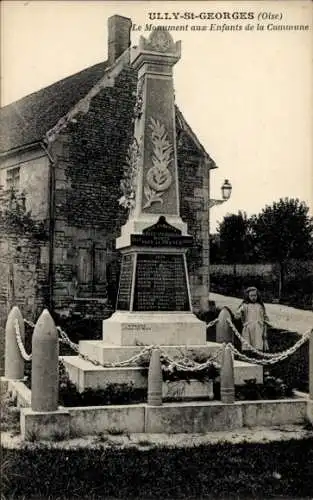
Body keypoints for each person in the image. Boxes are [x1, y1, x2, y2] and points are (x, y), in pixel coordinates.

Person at [235, 286, 269, 352]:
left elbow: (263, 317)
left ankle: (258, 355)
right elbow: (237, 315)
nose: (253, 297)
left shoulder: (260, 306)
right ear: (248, 296)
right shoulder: (245, 305)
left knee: (258, 343)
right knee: (248, 344)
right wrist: (239, 312)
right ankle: (248, 355)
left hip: (258, 327)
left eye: (255, 295)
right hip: (248, 327)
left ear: (257, 295)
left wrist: (265, 318)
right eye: (251, 296)